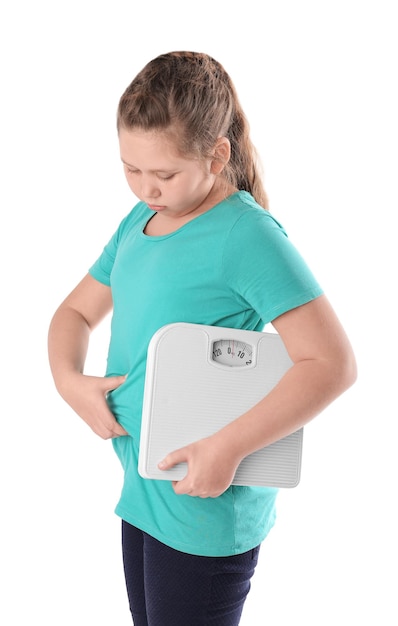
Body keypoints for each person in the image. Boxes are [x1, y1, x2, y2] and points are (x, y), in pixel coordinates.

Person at [48, 51, 357, 625]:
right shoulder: (138, 223)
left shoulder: (246, 235)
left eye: (164, 174)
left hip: (204, 507)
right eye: (130, 169)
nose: (146, 189)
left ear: (217, 155)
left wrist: (228, 447)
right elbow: (73, 313)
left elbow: (331, 363)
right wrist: (71, 382)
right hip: (144, 492)